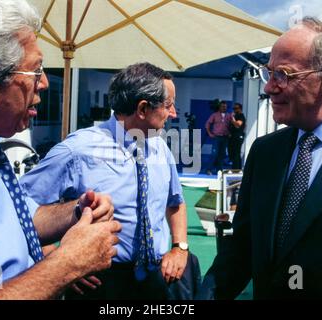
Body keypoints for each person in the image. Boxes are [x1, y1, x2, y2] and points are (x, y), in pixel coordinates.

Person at [0, 0, 121, 300]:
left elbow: (21, 219)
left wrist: (76, 211)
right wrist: (69, 263)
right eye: (35, 71)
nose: (43, 83)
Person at [200, 17, 322, 299]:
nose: (269, 87)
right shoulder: (266, 152)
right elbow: (241, 248)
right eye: (270, 73)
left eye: (284, 75)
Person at [20, 62, 196, 300]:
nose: (174, 112)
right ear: (143, 109)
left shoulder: (160, 147)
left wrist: (179, 248)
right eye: (168, 105)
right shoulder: (78, 150)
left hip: (153, 279)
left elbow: (175, 202)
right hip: (98, 284)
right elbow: (21, 209)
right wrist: (57, 262)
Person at [205, 100, 232, 174]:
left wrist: (230, 133)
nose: (224, 108)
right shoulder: (214, 115)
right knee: (214, 154)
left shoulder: (229, 115)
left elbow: (231, 125)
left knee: (222, 155)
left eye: (225, 107)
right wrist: (210, 133)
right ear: (219, 107)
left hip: (225, 137)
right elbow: (207, 124)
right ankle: (208, 169)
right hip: (217, 137)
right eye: (223, 106)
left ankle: (219, 170)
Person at [228, 103, 246, 170]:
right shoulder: (236, 116)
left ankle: (236, 169)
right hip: (233, 137)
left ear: (240, 109)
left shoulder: (241, 116)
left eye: (236, 108)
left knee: (236, 153)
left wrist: (232, 118)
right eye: (234, 108)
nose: (234, 110)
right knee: (233, 153)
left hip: (238, 137)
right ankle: (236, 168)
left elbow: (238, 125)